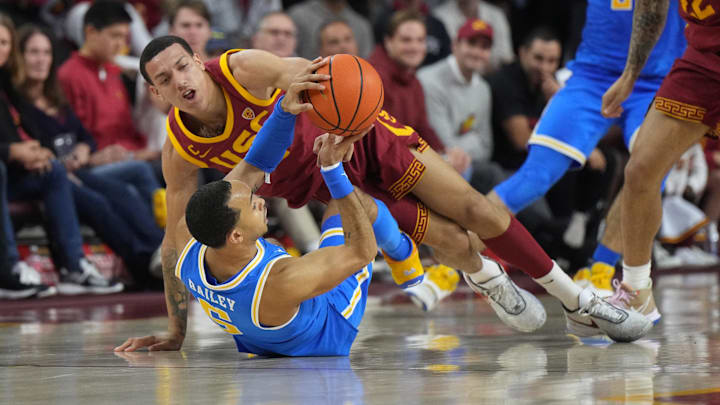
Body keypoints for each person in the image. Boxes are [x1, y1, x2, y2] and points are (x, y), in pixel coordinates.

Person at [136, 35, 651, 345]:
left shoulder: (241, 68)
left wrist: (310, 86)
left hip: (360, 136)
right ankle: (488, 280)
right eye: (164, 77)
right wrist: (176, 333)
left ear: (199, 61)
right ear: (155, 92)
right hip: (334, 187)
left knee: (475, 208)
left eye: (183, 65)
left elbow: (304, 73)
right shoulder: (180, 149)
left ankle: (577, 300)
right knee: (448, 240)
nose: (180, 79)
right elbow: (173, 242)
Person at [115, 86, 410, 355]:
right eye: (253, 206)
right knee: (352, 202)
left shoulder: (191, 234)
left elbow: (254, 163)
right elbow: (362, 251)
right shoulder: (279, 281)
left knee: (272, 238)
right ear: (236, 237)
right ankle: (404, 255)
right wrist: (332, 169)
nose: (260, 200)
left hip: (259, 336)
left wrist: (283, 109)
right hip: (327, 328)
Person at [487, 1, 686, 299]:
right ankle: (448, 265)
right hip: (591, 77)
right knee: (535, 177)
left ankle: (600, 273)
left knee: (651, 173)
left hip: (659, 81)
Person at [600, 0, 720, 330]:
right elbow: (651, 8)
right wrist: (630, 76)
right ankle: (637, 289)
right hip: (703, 60)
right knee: (640, 169)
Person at [18, 25, 164, 288]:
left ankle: (160, 251)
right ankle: (144, 265)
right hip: (50, 176)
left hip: (79, 167)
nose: (41, 60)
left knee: (121, 191)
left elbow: (84, 137)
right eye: (33, 53)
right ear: (20, 57)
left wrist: (84, 150)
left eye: (46, 53)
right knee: (100, 201)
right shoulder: (18, 103)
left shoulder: (54, 97)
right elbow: (30, 146)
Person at [0, 14, 122, 296]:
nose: (2, 49)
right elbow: (9, 145)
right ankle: (8, 269)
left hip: (16, 174)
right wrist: (12, 151)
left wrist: (36, 150)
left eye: (5, 43)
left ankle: (73, 267)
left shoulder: (5, 87)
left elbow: (25, 133)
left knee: (54, 171)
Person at [58, 1, 164, 208]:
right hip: (97, 164)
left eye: (124, 38)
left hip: (132, 155)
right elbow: (77, 136)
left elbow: (126, 129)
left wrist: (139, 152)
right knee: (145, 172)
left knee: (187, 164)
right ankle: (169, 237)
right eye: (114, 36)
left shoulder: (113, 70)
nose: (120, 45)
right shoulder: (69, 75)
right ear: (90, 32)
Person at [368, 10, 470, 174]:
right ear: (388, 42)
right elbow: (381, 139)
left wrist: (445, 151)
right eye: (406, 40)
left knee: (463, 166)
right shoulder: (373, 77)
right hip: (380, 170)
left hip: (404, 159)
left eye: (420, 40)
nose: (414, 47)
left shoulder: (413, 80)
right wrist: (437, 159)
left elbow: (422, 128)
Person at [432, 0, 513, 72]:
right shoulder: (439, 15)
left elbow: (505, 57)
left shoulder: (496, 14)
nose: (476, 52)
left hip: (492, 75)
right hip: (451, 73)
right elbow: (449, 56)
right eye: (472, 43)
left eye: (484, 46)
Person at [288, 0, 374, 59]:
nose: (343, 47)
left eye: (348, 39)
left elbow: (367, 62)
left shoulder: (362, 25)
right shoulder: (298, 17)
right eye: (334, 42)